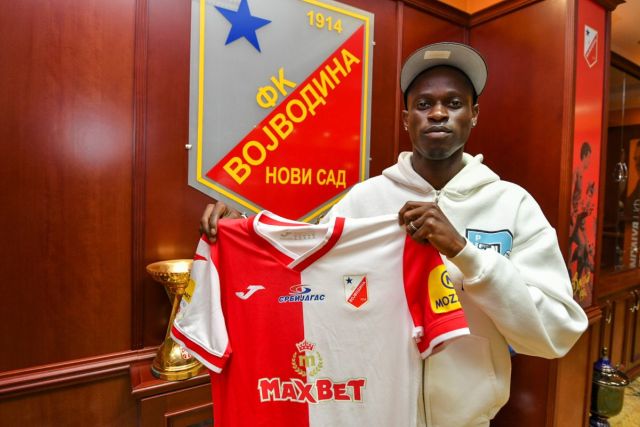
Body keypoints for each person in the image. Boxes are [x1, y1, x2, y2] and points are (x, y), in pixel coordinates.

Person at [198, 42, 588, 426]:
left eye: (454, 103)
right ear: (406, 119)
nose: (438, 113)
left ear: (474, 114)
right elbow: (306, 277)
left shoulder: (513, 205)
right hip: (373, 415)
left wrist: (466, 254)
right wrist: (242, 231)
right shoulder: (364, 200)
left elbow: (558, 332)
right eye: (424, 104)